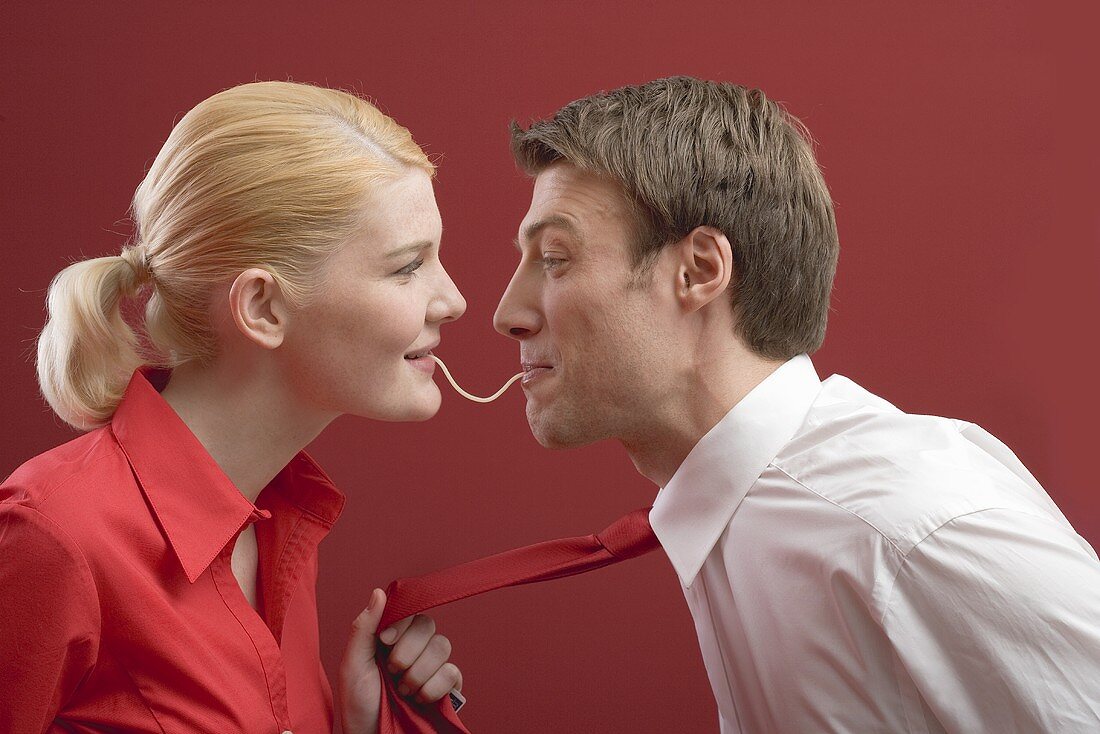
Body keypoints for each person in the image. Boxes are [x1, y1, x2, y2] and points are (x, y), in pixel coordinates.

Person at [494, 76, 1100, 732]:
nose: (508, 314)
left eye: (555, 258)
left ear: (698, 272)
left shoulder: (906, 529)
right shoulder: (744, 517)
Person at [0, 81, 467, 734]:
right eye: (406, 267)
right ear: (263, 308)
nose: (452, 300)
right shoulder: (54, 537)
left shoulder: (280, 522)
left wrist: (363, 727)